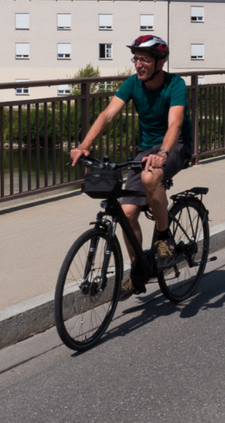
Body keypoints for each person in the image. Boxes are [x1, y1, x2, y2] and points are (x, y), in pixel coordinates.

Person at [70, 35, 193, 300]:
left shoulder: (175, 85)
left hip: (176, 146)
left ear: (159, 62)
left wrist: (163, 152)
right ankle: (140, 269)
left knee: (151, 178)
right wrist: (84, 145)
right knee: (126, 213)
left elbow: (175, 125)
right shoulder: (132, 84)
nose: (138, 65)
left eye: (145, 59)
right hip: (145, 150)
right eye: (136, 59)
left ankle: (164, 238)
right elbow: (108, 114)